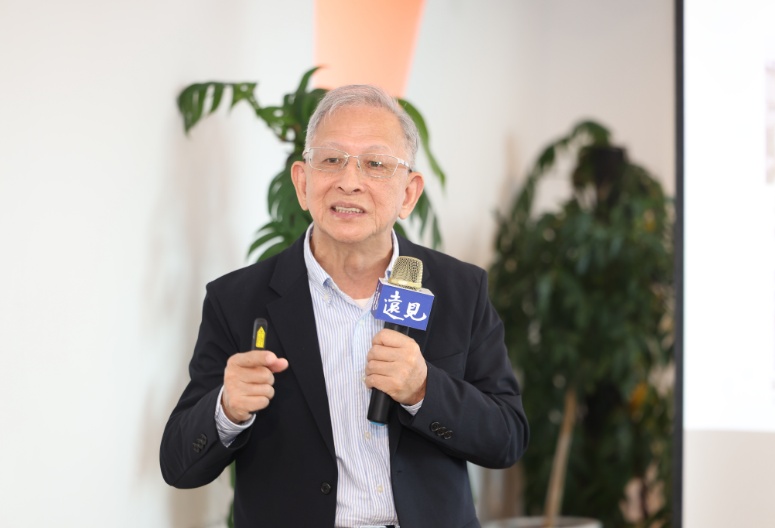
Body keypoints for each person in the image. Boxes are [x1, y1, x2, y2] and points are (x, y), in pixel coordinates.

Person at [160, 84, 529, 528]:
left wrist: (424, 390)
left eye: (375, 164)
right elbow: (179, 465)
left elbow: (507, 438)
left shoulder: (459, 290)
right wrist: (227, 409)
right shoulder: (238, 300)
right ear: (303, 182)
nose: (349, 182)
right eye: (332, 160)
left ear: (408, 194)